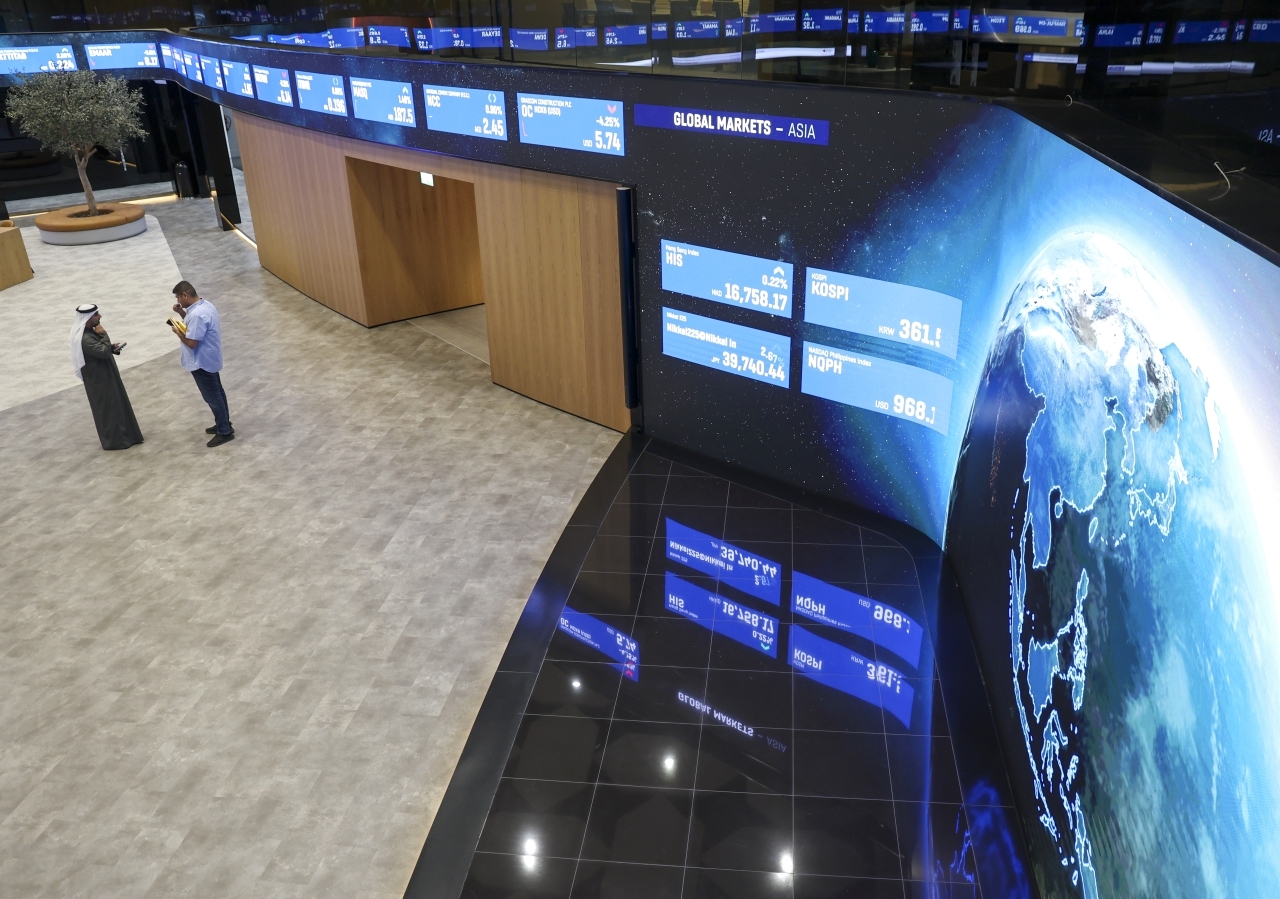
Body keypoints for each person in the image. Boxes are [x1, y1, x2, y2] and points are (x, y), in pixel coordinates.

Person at [70, 303, 144, 451]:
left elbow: (102, 350)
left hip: (106, 377)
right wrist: (104, 335)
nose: (100, 316)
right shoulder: (85, 339)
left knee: (118, 406)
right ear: (88, 318)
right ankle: (117, 441)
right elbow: (103, 352)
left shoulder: (90, 333)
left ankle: (129, 437)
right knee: (110, 410)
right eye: (96, 315)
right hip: (100, 382)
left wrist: (111, 347)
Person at [170, 280, 234, 447]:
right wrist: (182, 313)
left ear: (185, 295)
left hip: (201, 362)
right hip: (210, 358)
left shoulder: (197, 315)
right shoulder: (205, 305)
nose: (178, 301)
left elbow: (192, 342)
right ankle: (224, 423)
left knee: (213, 397)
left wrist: (178, 332)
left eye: (178, 297)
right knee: (218, 393)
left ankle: (224, 431)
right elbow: (194, 327)